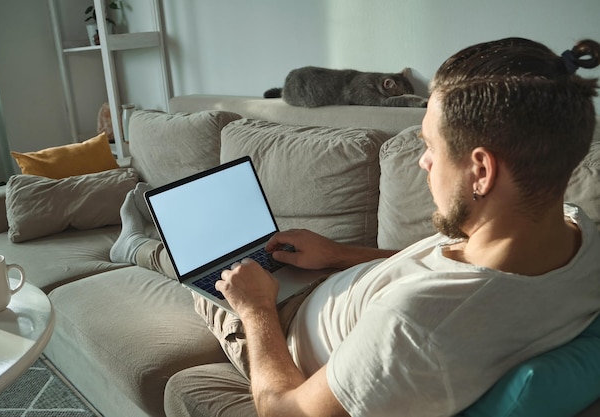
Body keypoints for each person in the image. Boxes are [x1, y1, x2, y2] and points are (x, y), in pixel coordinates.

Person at [111, 37, 600, 417]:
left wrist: (256, 309)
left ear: (481, 171)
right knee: (242, 251)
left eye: (430, 145)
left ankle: (134, 244)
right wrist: (341, 255)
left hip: (282, 332)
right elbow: (447, 269)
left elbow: (287, 410)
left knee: (202, 269)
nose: (424, 163)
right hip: (328, 280)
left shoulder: (419, 327)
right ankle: (146, 240)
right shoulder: (576, 232)